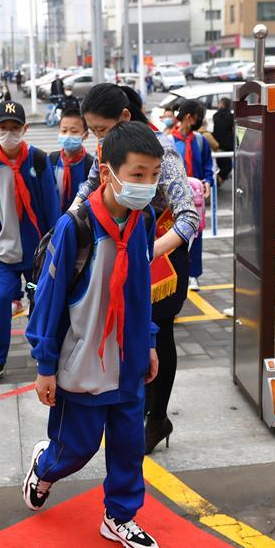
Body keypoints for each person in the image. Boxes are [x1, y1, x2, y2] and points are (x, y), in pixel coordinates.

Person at [24, 121, 161, 548]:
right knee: (77, 449)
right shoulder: (76, 227)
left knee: (128, 445)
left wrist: (150, 341)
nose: (147, 184)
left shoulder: (144, 218)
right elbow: (47, 300)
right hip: (81, 362)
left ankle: (119, 516)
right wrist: (45, 364)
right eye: (138, 175)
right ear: (108, 173)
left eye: (154, 175)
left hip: (129, 359)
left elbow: (141, 289)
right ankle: (45, 468)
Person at [69, 83, 199, 455]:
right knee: (130, 333)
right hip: (124, 251)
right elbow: (89, 187)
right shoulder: (108, 149)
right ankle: (135, 407)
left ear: (124, 118)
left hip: (162, 255)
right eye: (93, 131)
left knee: (159, 334)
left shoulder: (163, 150)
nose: (97, 138)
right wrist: (68, 222)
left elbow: (188, 215)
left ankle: (157, 419)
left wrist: (149, 252)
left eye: (101, 129)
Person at [0, 101, 61, 382]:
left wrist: (52, 245)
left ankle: (43, 355)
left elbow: (51, 205)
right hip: (5, 256)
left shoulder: (38, 161)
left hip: (36, 257)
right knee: (1, 299)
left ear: (25, 129)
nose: (8, 134)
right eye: (3, 128)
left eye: (14, 128)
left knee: (39, 298)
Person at [171, 99, 214, 292]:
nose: (200, 120)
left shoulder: (200, 140)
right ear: (190, 117)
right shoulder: (169, 141)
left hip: (195, 196)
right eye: (199, 117)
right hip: (174, 197)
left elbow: (207, 165)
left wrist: (208, 182)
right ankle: (174, 273)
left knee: (196, 234)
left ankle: (193, 275)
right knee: (174, 235)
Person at [49, 108, 93, 212]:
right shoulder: (52, 160)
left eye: (74, 131)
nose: (68, 135)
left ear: (85, 135)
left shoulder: (90, 165)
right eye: (64, 131)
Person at [212, 97, 234, 185]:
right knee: (227, 165)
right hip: (229, 146)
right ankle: (219, 179)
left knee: (221, 164)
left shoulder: (215, 116)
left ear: (221, 104)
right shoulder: (231, 117)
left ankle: (218, 179)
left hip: (217, 145)